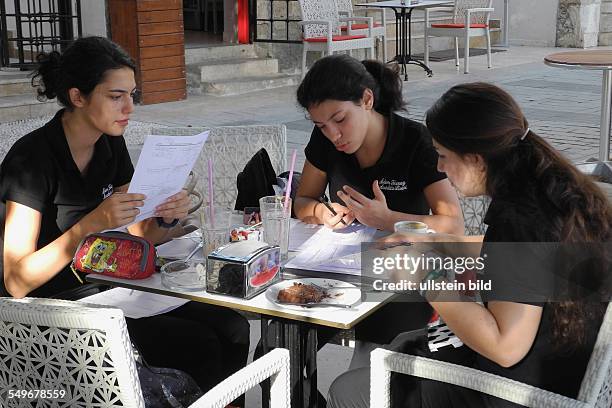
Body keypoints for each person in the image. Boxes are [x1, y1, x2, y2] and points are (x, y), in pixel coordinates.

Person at [327, 82, 611, 407]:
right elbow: (521, 260)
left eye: (443, 155)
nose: (439, 168)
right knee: (403, 341)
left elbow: (505, 347)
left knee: (350, 388)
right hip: (563, 361)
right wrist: (440, 245)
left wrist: (427, 278)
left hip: (524, 390)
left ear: (476, 159)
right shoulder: (548, 185)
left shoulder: (520, 217)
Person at [0, 36, 249, 402]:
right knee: (202, 345)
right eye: (116, 96)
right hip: (51, 316)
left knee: (234, 327)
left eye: (132, 95)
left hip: (110, 289)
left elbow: (138, 234)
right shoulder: (32, 161)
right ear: (78, 96)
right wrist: (91, 224)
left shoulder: (109, 143)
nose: (129, 107)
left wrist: (166, 218)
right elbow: (16, 282)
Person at [294, 54, 463, 234]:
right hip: (342, 257)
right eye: (321, 126)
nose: (333, 135)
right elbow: (303, 200)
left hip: (403, 257)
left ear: (367, 100)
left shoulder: (415, 140)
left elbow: (454, 227)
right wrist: (321, 212)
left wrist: (388, 219)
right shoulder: (324, 139)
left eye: (340, 119)